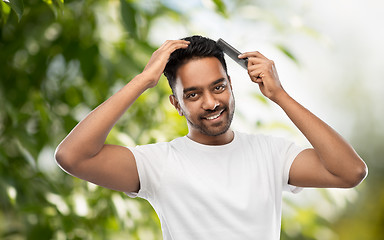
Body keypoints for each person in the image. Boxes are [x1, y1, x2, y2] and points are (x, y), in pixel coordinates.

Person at [55, 35, 368, 239]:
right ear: (176, 103)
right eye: (192, 94)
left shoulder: (272, 154)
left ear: (231, 84)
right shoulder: (159, 163)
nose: (211, 102)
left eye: (218, 87)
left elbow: (350, 171)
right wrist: (143, 80)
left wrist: (280, 95)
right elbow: (72, 156)